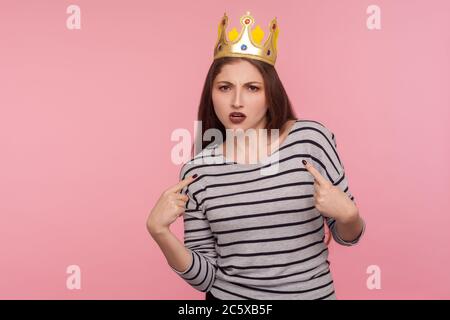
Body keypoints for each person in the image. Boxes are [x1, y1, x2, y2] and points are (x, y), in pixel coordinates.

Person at [147, 11, 366, 300]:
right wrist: (160, 232)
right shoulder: (198, 171)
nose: (236, 101)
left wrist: (349, 215)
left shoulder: (311, 140)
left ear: (270, 94)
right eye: (225, 88)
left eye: (252, 88)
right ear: (211, 94)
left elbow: (348, 236)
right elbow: (207, 278)